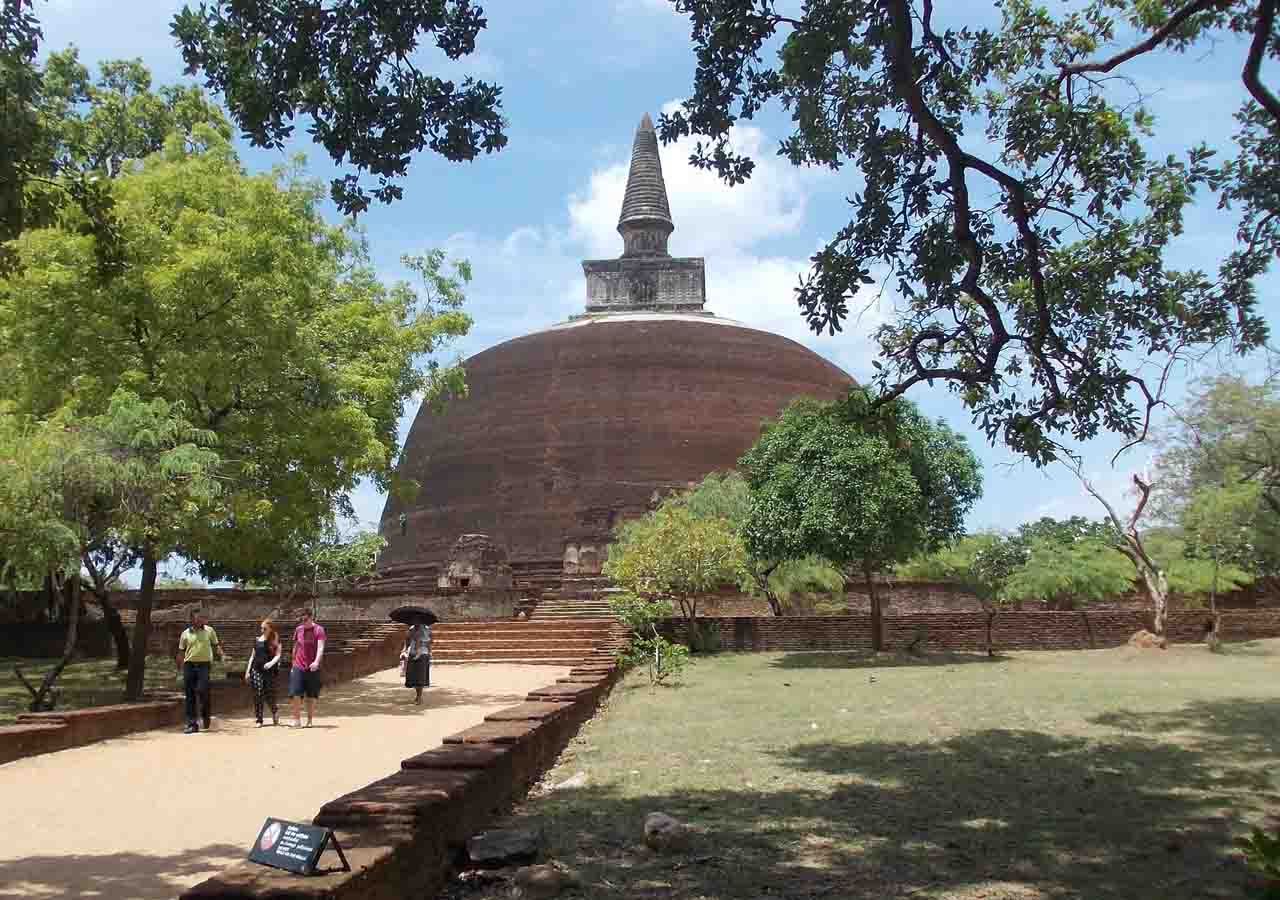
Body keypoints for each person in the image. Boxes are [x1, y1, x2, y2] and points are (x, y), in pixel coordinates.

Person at [176, 610, 223, 734]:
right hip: (189, 665)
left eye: (202, 618)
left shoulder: (210, 631)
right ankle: (192, 724)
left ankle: (205, 715)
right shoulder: (185, 634)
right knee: (190, 695)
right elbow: (181, 651)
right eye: (197, 618)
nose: (200, 620)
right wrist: (179, 666)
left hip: (204, 665)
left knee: (203, 690)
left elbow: (216, 645)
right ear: (192, 620)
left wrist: (221, 655)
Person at [288, 609, 326, 727]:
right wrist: (293, 663)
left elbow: (320, 648)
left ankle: (309, 719)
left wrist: (316, 662)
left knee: (311, 695)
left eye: (305, 619)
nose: (303, 622)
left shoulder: (319, 630)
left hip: (312, 666)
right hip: (299, 665)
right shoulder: (298, 630)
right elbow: (296, 646)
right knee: (295, 692)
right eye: (301, 620)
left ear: (311, 617)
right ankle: (297, 720)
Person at [245, 618, 282, 726]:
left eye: (264, 628)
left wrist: (271, 663)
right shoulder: (257, 640)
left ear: (270, 629)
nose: (262, 630)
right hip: (256, 669)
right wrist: (248, 671)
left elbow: (278, 655)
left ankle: (274, 711)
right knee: (258, 693)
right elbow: (252, 657)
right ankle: (259, 719)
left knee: (268, 694)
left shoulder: (274, 639)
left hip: (268, 671)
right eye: (261, 628)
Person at [400, 622, 431, 704]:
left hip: (423, 654)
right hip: (412, 653)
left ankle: (419, 697)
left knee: (420, 676)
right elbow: (407, 641)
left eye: (418, 619)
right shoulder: (411, 629)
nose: (416, 620)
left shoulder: (427, 629)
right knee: (413, 676)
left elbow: (430, 642)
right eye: (414, 619)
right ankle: (418, 694)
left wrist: (424, 644)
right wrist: (404, 650)